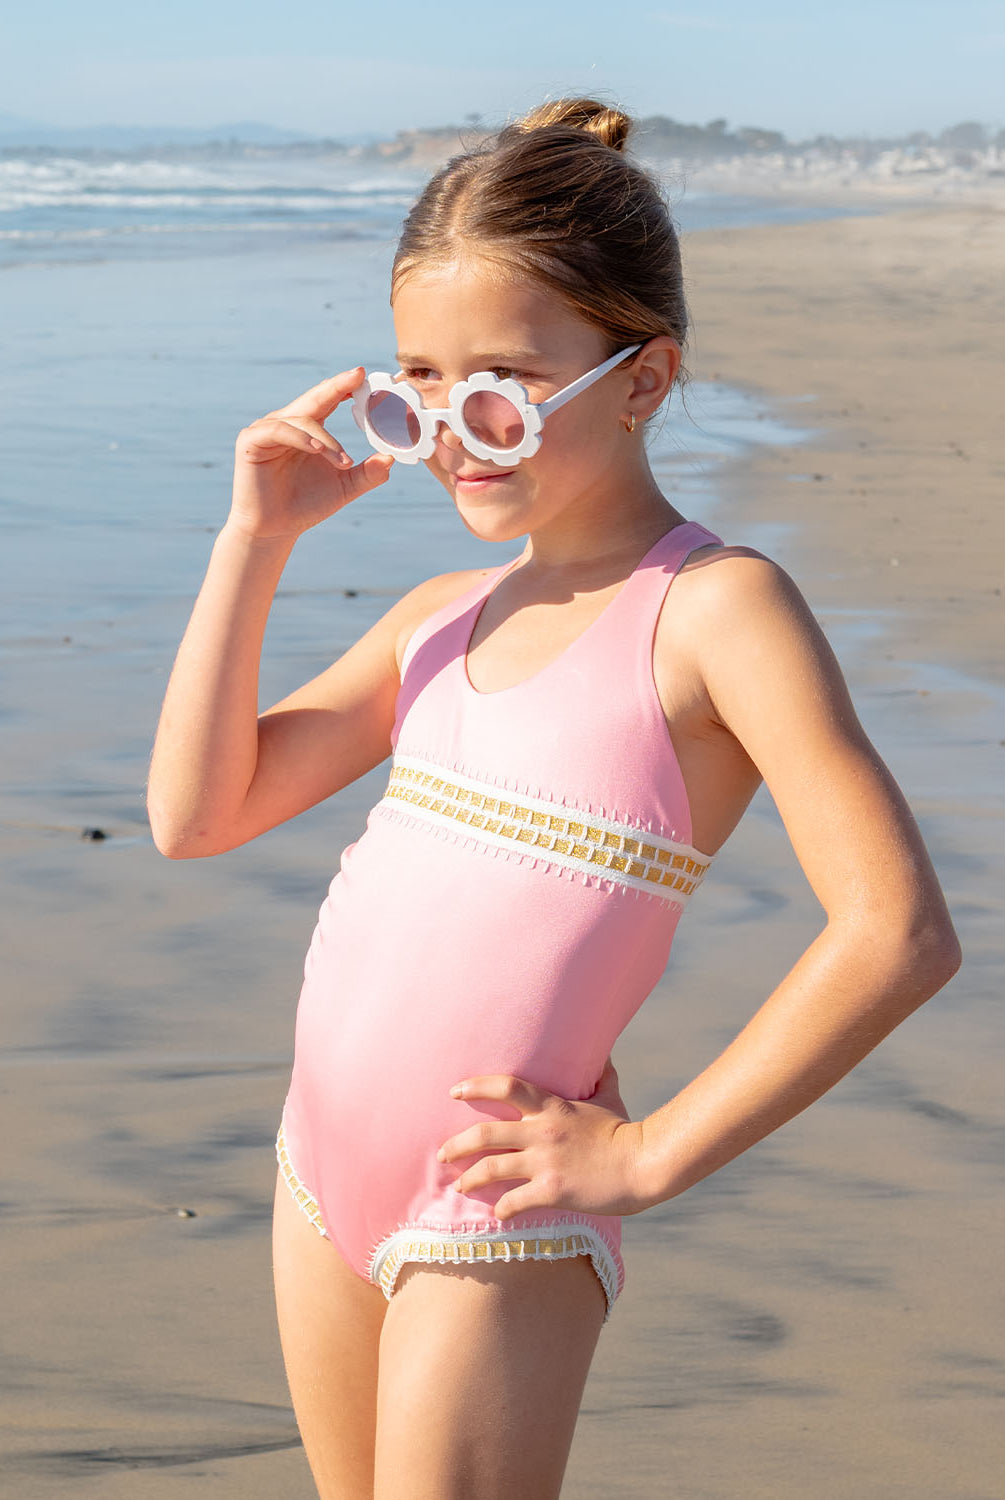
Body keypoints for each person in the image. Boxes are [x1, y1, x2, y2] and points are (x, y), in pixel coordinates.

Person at [146, 97, 961, 1500]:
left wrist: (649, 1156)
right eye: (419, 391)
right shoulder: (434, 620)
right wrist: (254, 542)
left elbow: (895, 930)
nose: (460, 437)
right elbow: (195, 813)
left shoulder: (713, 613)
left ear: (642, 377)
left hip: (496, 1207)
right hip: (314, 1164)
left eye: (502, 389)